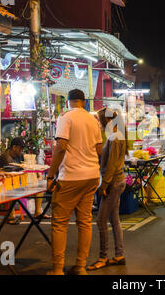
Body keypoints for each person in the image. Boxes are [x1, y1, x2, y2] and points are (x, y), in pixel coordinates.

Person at [46, 89, 103, 275]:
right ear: (84, 101)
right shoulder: (93, 120)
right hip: (91, 176)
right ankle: (80, 266)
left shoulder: (66, 117)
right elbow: (100, 149)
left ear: (68, 101)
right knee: (85, 222)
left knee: (60, 223)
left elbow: (61, 146)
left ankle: (57, 269)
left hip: (71, 177)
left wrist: (50, 175)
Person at [87, 107, 128, 271]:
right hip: (115, 182)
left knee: (101, 220)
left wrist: (104, 186)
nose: (99, 125)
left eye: (99, 121)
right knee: (114, 219)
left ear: (107, 121)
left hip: (113, 183)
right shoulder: (115, 136)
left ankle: (103, 257)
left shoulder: (115, 137)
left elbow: (111, 166)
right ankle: (119, 255)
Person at [0, 137, 26, 225]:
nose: (22, 151)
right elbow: (6, 173)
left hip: (17, 180)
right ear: (14, 147)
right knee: (11, 184)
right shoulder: (5, 158)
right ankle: (11, 216)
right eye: (21, 148)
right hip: (3, 183)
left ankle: (37, 212)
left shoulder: (19, 156)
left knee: (37, 181)